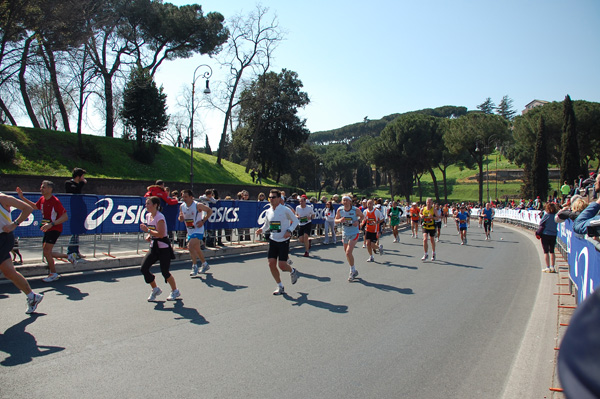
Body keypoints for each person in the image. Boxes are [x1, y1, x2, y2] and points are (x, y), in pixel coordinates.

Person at [16, 181, 69, 282]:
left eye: (43, 187)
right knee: (46, 252)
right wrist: (22, 197)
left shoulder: (55, 201)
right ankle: (68, 256)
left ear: (50, 189)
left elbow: (65, 217)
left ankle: (53, 273)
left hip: (55, 228)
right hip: (47, 228)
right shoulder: (42, 199)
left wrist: (51, 224)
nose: (41, 189)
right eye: (41, 187)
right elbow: (35, 206)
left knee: (46, 251)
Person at [0, 192, 44, 314]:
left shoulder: (3, 198)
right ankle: (32, 296)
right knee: (9, 272)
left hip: (3, 238)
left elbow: (28, 208)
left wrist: (14, 224)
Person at [255, 189, 299, 295]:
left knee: (282, 266)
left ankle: (292, 271)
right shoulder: (268, 211)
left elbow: (296, 221)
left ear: (279, 199)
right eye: (270, 197)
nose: (271, 199)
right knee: (271, 264)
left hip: (283, 240)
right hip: (273, 240)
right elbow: (267, 225)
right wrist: (261, 229)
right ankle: (280, 286)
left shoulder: (285, 210)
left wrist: (289, 231)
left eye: (273, 197)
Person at [140, 196, 180, 302]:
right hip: (154, 247)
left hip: (163, 248)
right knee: (144, 268)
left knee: (165, 272)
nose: (146, 206)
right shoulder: (148, 216)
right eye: (146, 204)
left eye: (148, 204)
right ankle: (155, 289)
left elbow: (161, 234)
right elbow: (154, 232)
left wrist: (148, 231)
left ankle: (175, 290)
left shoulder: (160, 217)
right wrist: (150, 236)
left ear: (155, 205)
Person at [179, 189, 213, 277]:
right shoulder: (182, 206)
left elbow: (210, 211)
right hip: (190, 229)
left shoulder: (198, 205)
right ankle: (205, 264)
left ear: (191, 197)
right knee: (197, 249)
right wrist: (181, 218)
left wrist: (203, 221)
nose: (184, 199)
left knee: (190, 246)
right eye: (183, 197)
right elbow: (181, 218)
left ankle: (194, 266)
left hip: (198, 229)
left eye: (186, 197)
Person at [335, 195, 364, 282]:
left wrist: (358, 221)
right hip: (345, 233)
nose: (345, 202)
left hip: (354, 233)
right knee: (347, 254)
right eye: (344, 200)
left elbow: (362, 217)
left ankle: (351, 271)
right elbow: (335, 220)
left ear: (350, 202)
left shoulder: (355, 210)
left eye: (347, 200)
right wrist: (340, 220)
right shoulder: (340, 210)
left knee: (348, 252)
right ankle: (354, 269)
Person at [65, 167, 87, 262]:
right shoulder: (69, 183)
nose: (84, 178)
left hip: (80, 210)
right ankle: (71, 251)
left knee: (77, 232)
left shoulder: (78, 184)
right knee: (74, 232)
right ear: (78, 177)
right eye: (82, 176)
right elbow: (76, 191)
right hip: (73, 210)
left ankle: (76, 251)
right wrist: (82, 183)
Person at [537, 202, 559, 273]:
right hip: (553, 234)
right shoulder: (556, 216)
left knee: (546, 251)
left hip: (546, 234)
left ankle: (548, 267)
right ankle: (553, 267)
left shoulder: (547, 215)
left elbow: (541, 223)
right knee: (552, 251)